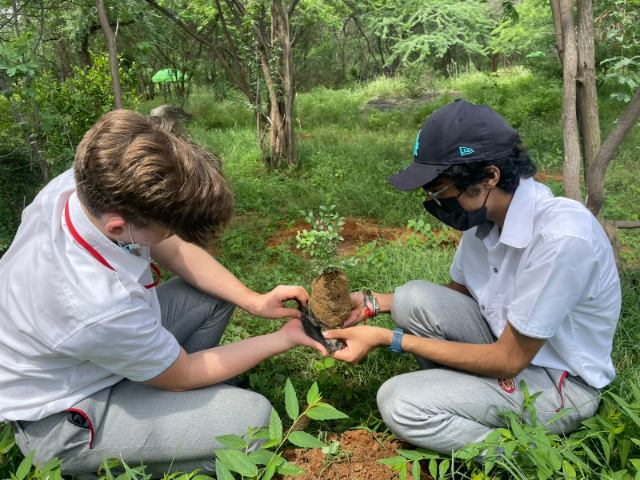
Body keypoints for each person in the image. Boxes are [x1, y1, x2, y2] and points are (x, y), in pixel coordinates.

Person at [0, 110, 326, 475]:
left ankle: (176, 399)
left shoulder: (83, 186)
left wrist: (252, 300)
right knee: (254, 423)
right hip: (66, 414)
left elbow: (167, 246)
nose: (173, 236)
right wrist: (285, 338)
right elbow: (183, 373)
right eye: (167, 228)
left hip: (87, 353)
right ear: (119, 225)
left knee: (218, 295)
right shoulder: (96, 302)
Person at [324, 99, 621, 453]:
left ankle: (519, 454)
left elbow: (509, 360)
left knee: (400, 402)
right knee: (413, 297)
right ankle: (462, 396)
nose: (435, 202)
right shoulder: (485, 220)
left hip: (559, 384)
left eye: (440, 190)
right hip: (505, 347)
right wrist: (373, 304)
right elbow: (457, 297)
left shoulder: (560, 238)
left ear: (490, 176)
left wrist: (390, 338)